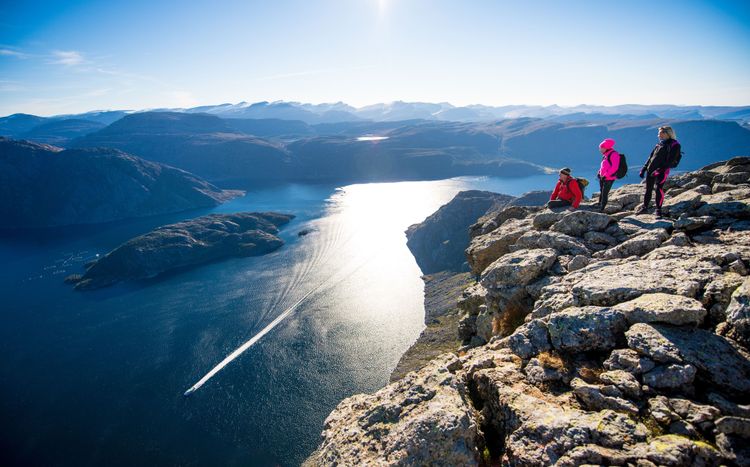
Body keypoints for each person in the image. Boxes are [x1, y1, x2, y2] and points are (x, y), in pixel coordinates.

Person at [637, 126, 681, 218]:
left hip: (662, 171)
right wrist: (644, 168)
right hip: (651, 170)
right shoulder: (659, 144)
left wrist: (659, 170)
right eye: (658, 133)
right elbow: (651, 157)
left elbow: (671, 161)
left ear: (667, 133)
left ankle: (658, 210)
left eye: (660, 133)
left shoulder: (674, 145)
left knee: (659, 189)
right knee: (648, 189)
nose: (658, 135)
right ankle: (645, 208)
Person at [597, 138, 620, 212]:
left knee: (605, 192)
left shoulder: (614, 154)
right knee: (602, 190)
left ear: (606, 148)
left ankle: (602, 207)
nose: (600, 150)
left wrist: (606, 175)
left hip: (609, 177)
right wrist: (599, 173)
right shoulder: (605, 155)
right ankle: (600, 204)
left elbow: (614, 167)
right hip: (603, 177)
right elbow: (603, 166)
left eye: (601, 148)